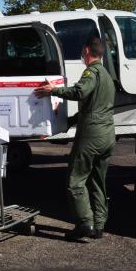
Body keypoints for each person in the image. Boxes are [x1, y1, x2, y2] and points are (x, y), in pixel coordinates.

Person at [34, 36, 115, 241]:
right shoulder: (106, 75)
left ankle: (84, 223)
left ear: (87, 50)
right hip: (107, 135)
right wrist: (66, 123)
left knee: (75, 180)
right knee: (98, 181)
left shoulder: (91, 72)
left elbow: (80, 92)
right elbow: (92, 106)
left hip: (92, 135)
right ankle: (98, 225)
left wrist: (53, 90)